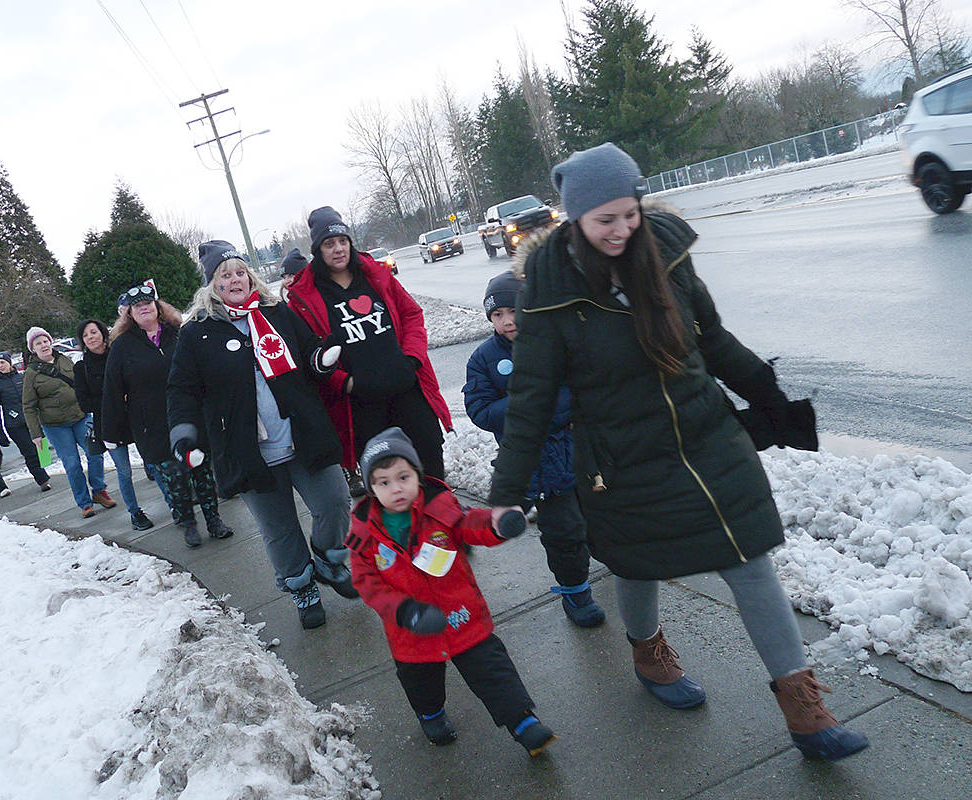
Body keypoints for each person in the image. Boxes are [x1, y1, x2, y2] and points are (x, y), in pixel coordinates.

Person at [488, 142, 868, 761]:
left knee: (749, 559)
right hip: (623, 458)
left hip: (707, 437)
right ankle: (648, 651)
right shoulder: (552, 294)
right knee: (639, 566)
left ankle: (806, 712)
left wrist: (768, 397)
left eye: (629, 213)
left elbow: (711, 338)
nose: (621, 230)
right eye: (604, 220)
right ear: (576, 220)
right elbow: (529, 400)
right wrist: (505, 496)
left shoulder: (665, 253)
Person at [167, 242, 354, 628]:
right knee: (279, 529)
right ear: (211, 285)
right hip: (248, 449)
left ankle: (328, 560)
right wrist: (184, 435)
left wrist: (323, 358)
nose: (234, 280)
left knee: (335, 501)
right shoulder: (197, 333)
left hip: (301, 435)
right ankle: (302, 587)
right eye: (225, 274)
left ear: (250, 277)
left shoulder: (276, 313)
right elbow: (182, 391)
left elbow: (308, 353)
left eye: (240, 272)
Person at [348, 427, 556, 756]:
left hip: (462, 616)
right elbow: (366, 582)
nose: (396, 488)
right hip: (412, 630)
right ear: (371, 488)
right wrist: (404, 611)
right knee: (421, 681)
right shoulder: (365, 535)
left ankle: (523, 722)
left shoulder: (439, 509)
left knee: (492, 669)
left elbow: (470, 524)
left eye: (403, 477)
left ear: (417, 475)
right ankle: (431, 714)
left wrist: (497, 524)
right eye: (384, 482)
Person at [464, 271, 605, 628]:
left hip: (579, 453)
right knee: (563, 533)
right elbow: (479, 409)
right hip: (536, 463)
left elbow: (587, 386)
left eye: (513, 310)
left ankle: (613, 557)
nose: (507, 321)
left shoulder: (556, 342)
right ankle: (576, 593)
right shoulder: (484, 359)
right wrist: (525, 404)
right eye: (497, 315)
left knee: (598, 518)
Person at [284, 206, 452, 484]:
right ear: (318, 250)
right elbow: (310, 354)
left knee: (430, 462)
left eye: (343, 241)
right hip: (362, 406)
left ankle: (439, 523)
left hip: (407, 389)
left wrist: (410, 359)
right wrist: (345, 382)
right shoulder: (306, 297)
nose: (338, 249)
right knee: (385, 478)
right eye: (329, 243)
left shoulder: (376, 276)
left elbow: (412, 314)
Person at [101, 284, 231, 545]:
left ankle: (214, 520)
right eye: (138, 306)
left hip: (191, 417)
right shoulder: (122, 347)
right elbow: (113, 390)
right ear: (130, 314)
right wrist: (111, 432)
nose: (144, 308)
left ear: (158, 307)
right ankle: (188, 525)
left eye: (148, 303)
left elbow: (204, 370)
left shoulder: (179, 334)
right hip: (153, 426)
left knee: (203, 473)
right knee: (175, 480)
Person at [74, 319, 153, 531]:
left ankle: (174, 504)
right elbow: (84, 403)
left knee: (153, 462)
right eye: (86, 335)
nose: (91, 337)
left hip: (135, 418)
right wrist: (115, 400)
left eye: (94, 332)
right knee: (124, 471)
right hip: (108, 424)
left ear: (102, 333)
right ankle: (135, 512)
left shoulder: (118, 354)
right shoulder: (82, 368)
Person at [21, 327, 106, 518]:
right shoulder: (31, 374)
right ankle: (85, 503)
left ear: (50, 342)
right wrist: (36, 434)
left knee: (96, 453)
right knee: (72, 464)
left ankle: (99, 490)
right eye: (38, 343)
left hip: (80, 416)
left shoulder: (64, 360)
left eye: (45, 341)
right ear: (32, 349)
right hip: (56, 426)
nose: (43, 345)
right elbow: (28, 406)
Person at [0, 351, 52, 492]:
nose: (0, 366)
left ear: (9, 362)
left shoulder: (22, 377)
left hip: (32, 420)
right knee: (30, 452)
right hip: (14, 425)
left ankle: (44, 471)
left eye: (2, 362)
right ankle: (42, 480)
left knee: (42, 448)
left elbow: (36, 396)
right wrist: (0, 431)